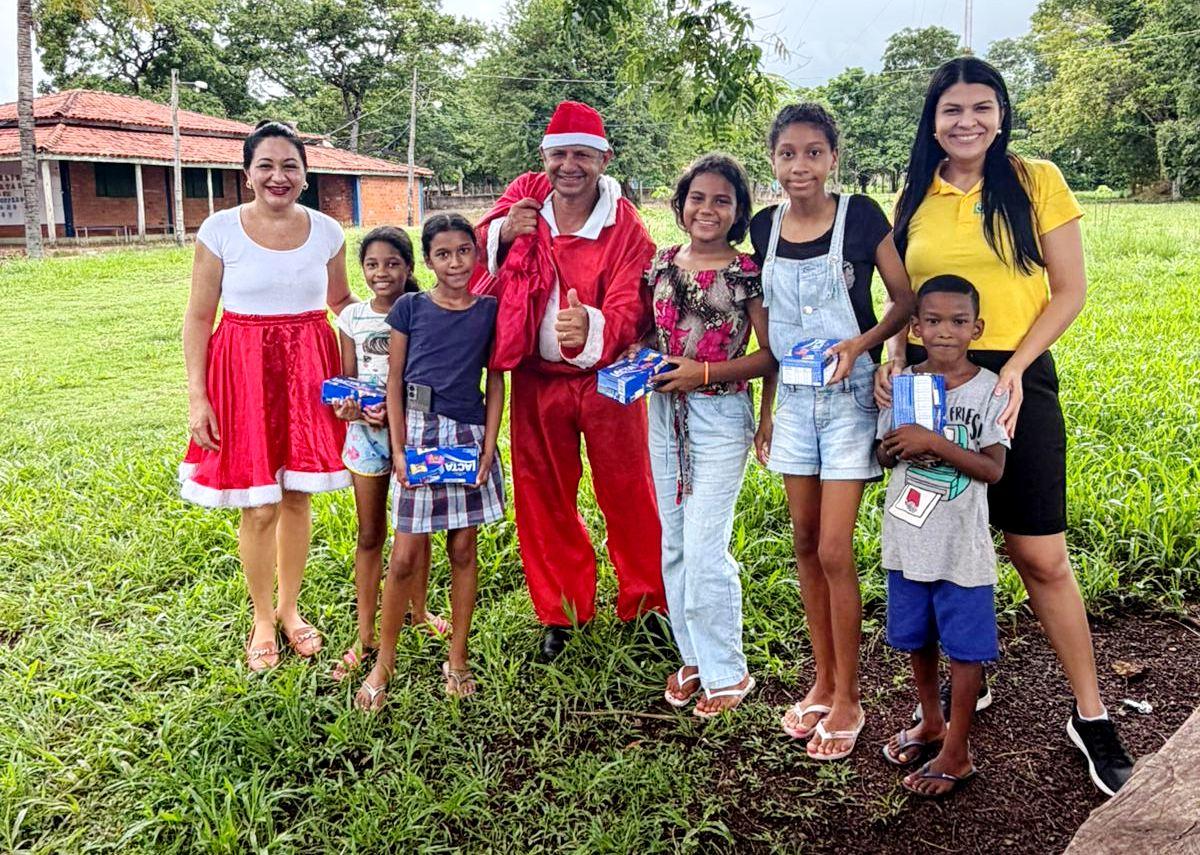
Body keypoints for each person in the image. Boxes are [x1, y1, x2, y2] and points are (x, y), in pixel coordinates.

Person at [878, 56, 1134, 795]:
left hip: (1016, 378)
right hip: (933, 383)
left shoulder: (1035, 180)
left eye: (982, 107)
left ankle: (1090, 715)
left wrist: (1016, 368)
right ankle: (965, 685)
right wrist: (898, 356)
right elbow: (905, 298)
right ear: (932, 119)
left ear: (1002, 113)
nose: (968, 122)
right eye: (952, 109)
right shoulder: (914, 196)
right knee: (939, 540)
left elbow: (1070, 289)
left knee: (1037, 550)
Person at [471, 101, 666, 661]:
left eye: (582, 154)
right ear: (544, 157)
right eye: (560, 154)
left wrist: (594, 325)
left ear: (604, 159)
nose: (569, 165)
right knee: (543, 495)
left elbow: (634, 298)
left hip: (607, 381)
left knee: (630, 491)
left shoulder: (624, 224)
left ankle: (647, 602)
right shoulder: (525, 195)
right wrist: (506, 232)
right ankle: (562, 610)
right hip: (536, 380)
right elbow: (478, 243)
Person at [751, 103, 916, 759]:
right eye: (788, 153)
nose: (800, 166)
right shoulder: (763, 226)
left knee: (833, 549)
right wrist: (767, 402)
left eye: (813, 152)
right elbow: (762, 319)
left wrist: (866, 345)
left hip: (850, 398)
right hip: (793, 398)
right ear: (773, 160)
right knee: (801, 541)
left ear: (833, 160)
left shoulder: (862, 217)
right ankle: (821, 679)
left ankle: (850, 695)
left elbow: (903, 297)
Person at [181, 120, 353, 671]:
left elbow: (342, 300)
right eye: (266, 166)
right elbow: (199, 317)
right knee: (259, 505)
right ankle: (260, 618)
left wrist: (397, 322)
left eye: (290, 167)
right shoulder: (220, 230)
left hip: (309, 371)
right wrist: (198, 397)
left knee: (298, 496)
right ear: (248, 173)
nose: (278, 177)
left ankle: (289, 610)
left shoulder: (328, 231)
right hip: (244, 374)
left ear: (305, 175)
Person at [639, 154, 773, 717]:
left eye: (722, 200)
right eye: (698, 197)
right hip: (663, 415)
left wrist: (718, 383)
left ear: (739, 210)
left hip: (720, 417)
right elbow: (651, 334)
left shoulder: (746, 273)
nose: (707, 209)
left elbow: (771, 356)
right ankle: (692, 655)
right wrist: (638, 359)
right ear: (681, 203)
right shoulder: (662, 263)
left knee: (704, 546)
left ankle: (728, 670)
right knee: (672, 539)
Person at [355, 214, 505, 709]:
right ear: (429, 260)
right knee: (402, 557)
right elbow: (394, 381)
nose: (455, 262)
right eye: (443, 254)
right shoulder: (410, 309)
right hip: (418, 434)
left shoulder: (489, 310)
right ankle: (384, 662)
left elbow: (497, 380)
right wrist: (398, 449)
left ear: (476, 254)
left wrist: (489, 445)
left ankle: (457, 658)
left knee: (464, 550)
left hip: (469, 435)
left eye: (464, 251)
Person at [876, 275, 1009, 797]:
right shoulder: (903, 384)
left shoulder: (988, 390)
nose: (945, 332)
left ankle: (958, 750)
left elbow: (993, 469)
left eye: (958, 322)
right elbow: (882, 454)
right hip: (908, 541)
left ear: (977, 328)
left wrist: (934, 442)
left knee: (964, 647)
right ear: (915, 327)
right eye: (932, 321)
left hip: (961, 550)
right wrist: (894, 449)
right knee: (917, 637)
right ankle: (930, 720)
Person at [328, 226, 446, 684]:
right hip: (365, 439)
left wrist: (396, 412)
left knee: (418, 529)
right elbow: (346, 382)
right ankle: (365, 636)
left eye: (393, 264)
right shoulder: (351, 319)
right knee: (370, 534)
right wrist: (351, 407)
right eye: (373, 265)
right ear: (362, 270)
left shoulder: (422, 312)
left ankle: (418, 613)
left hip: (414, 434)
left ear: (410, 268)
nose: (383, 273)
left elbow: (428, 381)